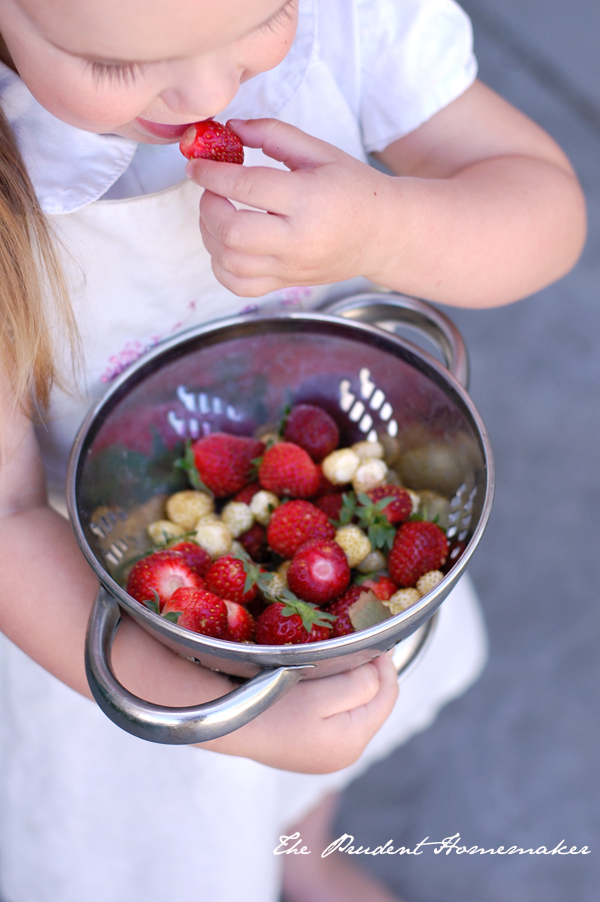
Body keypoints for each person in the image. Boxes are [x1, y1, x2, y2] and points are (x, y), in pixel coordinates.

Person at [0, 1, 585, 901]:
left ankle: (300, 851)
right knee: (170, 837)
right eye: (112, 65)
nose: (208, 88)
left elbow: (547, 214)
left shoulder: (352, 22)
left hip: (331, 541)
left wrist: (386, 230)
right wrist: (231, 721)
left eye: (264, 17)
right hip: (96, 620)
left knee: (311, 770)